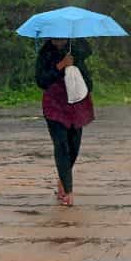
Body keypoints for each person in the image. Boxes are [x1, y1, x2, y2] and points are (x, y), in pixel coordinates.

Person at [35, 38, 96, 207]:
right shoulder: (45, 53)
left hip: (77, 103)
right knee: (61, 145)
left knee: (74, 146)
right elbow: (41, 80)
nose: (59, 40)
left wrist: (73, 57)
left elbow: (88, 52)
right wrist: (60, 66)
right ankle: (68, 191)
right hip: (55, 104)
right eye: (56, 37)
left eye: (62, 36)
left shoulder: (76, 48)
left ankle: (63, 178)